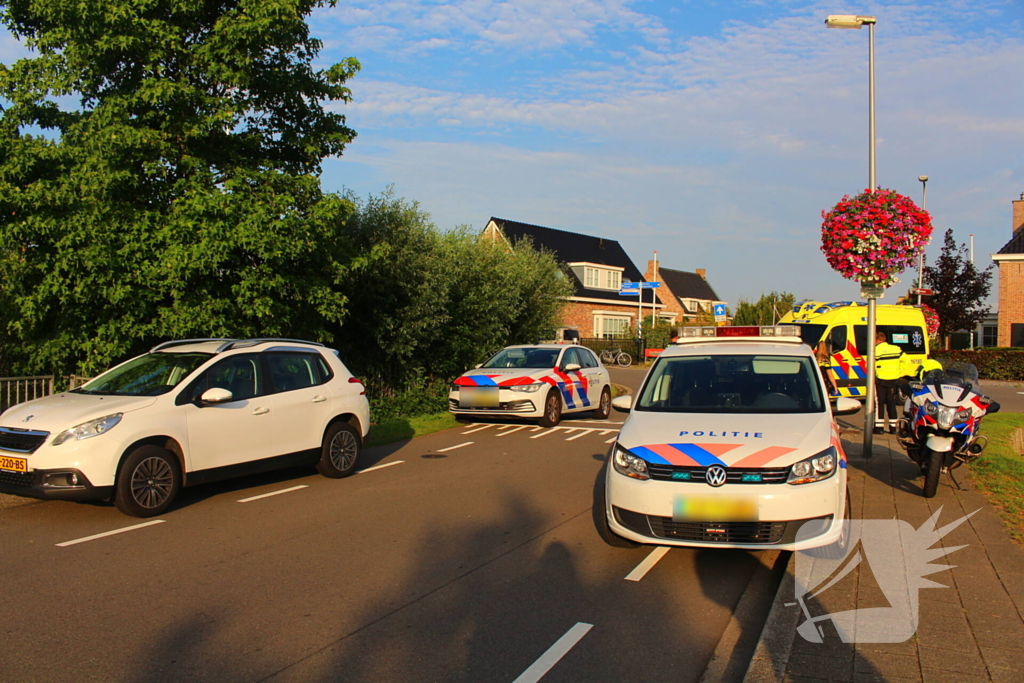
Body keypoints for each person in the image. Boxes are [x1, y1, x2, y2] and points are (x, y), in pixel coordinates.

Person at [873, 331, 904, 434]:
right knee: (891, 403)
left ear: (877, 340)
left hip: (880, 380)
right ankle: (893, 427)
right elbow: (906, 361)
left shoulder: (875, 350)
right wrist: (899, 371)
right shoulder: (896, 349)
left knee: (879, 403)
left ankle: (879, 428)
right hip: (893, 379)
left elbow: (869, 365)